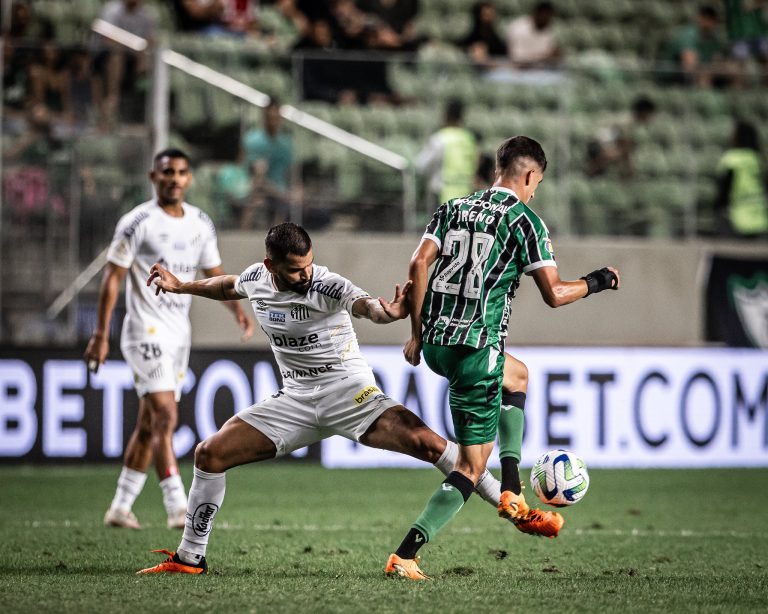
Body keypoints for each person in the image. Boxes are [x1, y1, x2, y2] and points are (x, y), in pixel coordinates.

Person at [135, 222, 551, 575]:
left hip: (352, 393)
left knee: (429, 444)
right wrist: (182, 285)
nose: (306, 274)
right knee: (209, 454)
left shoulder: (327, 284)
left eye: (309, 264)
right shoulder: (257, 279)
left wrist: (393, 311)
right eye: (296, 270)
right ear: (271, 267)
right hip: (295, 401)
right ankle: (191, 557)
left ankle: (511, 506)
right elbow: (227, 285)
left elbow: (368, 307)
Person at [385, 136, 621, 580]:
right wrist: (598, 280)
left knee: (519, 375)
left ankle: (512, 488)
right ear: (530, 176)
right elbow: (554, 294)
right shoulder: (525, 220)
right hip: (477, 350)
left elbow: (419, 265)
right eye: (538, 184)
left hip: (436, 343)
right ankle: (406, 554)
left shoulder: (453, 207)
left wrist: (415, 333)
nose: (535, 192)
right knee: (470, 470)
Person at [84, 148, 253, 531]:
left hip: (179, 334)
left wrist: (236, 310)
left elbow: (214, 273)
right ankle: (179, 505)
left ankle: (120, 506)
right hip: (145, 329)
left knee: (149, 425)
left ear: (189, 178)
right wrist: (100, 334)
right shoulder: (137, 221)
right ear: (153, 177)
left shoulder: (200, 223)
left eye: (180, 172)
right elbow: (112, 277)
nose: (173, 179)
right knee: (165, 416)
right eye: (166, 173)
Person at [415, 99, 479, 211]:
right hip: (465, 194)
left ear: (445, 116)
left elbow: (421, 165)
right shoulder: (469, 139)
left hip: (442, 194)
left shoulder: (440, 138)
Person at [240, 99, 293, 229]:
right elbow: (254, 172)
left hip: (280, 191)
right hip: (256, 187)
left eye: (276, 118)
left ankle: (278, 239)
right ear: (264, 117)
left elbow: (290, 172)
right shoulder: (252, 140)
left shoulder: (287, 144)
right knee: (257, 195)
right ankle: (244, 231)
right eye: (270, 117)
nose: (273, 121)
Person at [714, 120, 768, 238]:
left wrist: (717, 208)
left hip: (738, 216)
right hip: (760, 216)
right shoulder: (757, 158)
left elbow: (724, 189)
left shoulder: (732, 159)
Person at [586, 95, 657, 178]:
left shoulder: (629, 121)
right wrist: (631, 171)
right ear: (644, 112)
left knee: (624, 151)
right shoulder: (628, 123)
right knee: (621, 152)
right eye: (650, 114)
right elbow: (625, 150)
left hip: (601, 145)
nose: (651, 118)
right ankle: (591, 171)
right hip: (597, 146)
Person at [661, 5, 731, 87]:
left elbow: (718, 62)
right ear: (699, 18)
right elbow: (690, 65)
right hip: (673, 78)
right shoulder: (688, 35)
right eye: (705, 18)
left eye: (711, 19)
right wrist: (711, 70)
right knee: (703, 77)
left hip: (701, 75)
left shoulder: (714, 40)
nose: (708, 23)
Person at [506, 1, 560, 69]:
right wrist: (545, 56)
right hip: (519, 70)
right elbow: (516, 57)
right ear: (537, 13)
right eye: (546, 15)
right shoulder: (518, 27)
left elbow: (552, 54)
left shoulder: (549, 30)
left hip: (543, 70)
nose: (548, 19)